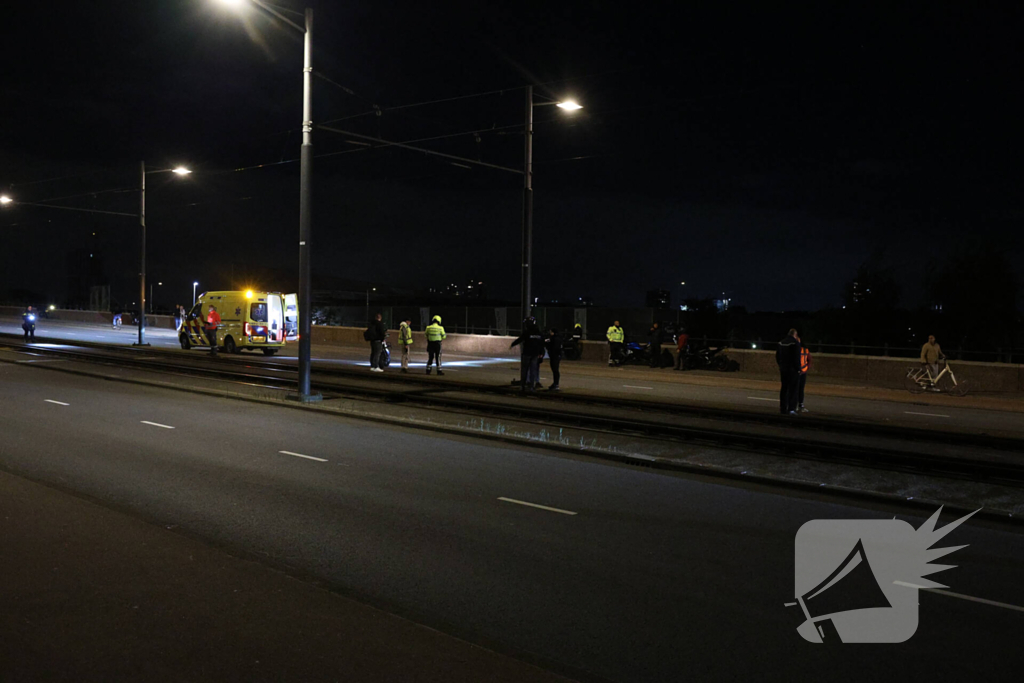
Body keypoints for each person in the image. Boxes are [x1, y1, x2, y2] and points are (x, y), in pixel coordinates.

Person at [511, 319, 545, 391]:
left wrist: (512, 344)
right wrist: (541, 353)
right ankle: (531, 386)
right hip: (535, 354)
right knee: (533, 370)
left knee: (524, 370)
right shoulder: (539, 333)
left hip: (527, 353)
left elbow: (520, 339)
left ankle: (523, 385)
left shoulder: (527, 332)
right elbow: (542, 343)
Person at [775, 328, 802, 415]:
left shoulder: (781, 343)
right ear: (795, 334)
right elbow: (796, 358)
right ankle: (791, 408)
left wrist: (781, 365)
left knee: (784, 388)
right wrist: (798, 369)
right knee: (793, 390)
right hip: (793, 370)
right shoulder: (795, 343)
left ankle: (783, 408)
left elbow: (777, 356)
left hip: (784, 369)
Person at [797, 334, 811, 413]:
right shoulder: (805, 350)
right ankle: (798, 405)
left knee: (799, 389)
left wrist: (806, 368)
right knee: (799, 389)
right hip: (800, 371)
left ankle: (799, 405)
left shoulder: (804, 350)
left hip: (801, 372)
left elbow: (809, 360)